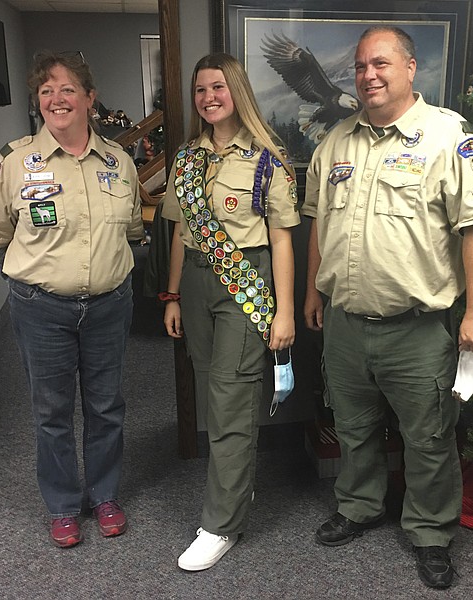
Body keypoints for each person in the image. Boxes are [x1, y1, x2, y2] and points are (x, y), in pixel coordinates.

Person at [302, 27, 473, 589]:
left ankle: (432, 532)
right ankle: (360, 506)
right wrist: (315, 290)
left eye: (381, 63)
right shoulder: (335, 141)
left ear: (411, 69)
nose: (369, 74)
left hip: (417, 328)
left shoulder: (449, 136)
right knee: (353, 426)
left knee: (429, 437)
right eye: (362, 65)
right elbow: (319, 219)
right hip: (345, 323)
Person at [0, 51, 144, 548]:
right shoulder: (14, 161)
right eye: (46, 91)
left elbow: (132, 230)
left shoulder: (120, 162)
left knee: (106, 405)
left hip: (110, 304)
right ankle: (63, 504)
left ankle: (105, 494)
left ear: (90, 99)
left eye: (67, 89)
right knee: (51, 411)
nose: (56, 99)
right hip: (41, 307)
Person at [161, 52, 300, 571]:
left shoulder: (268, 158)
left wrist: (283, 313)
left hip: (244, 286)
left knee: (231, 400)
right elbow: (180, 230)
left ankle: (221, 523)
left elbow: (282, 241)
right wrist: (172, 294)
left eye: (218, 87)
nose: (208, 97)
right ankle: (237, 490)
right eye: (200, 90)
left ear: (236, 90)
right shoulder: (188, 158)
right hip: (196, 286)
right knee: (212, 394)